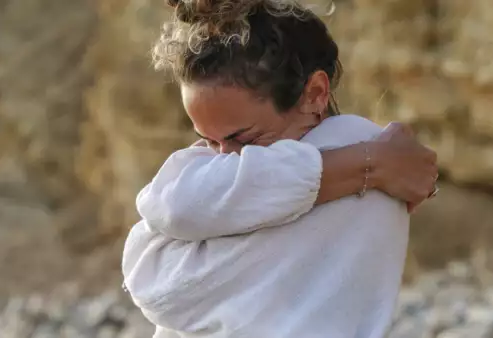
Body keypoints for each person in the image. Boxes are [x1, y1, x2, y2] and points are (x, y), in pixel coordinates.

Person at [122, 1, 439, 337]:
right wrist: (363, 164)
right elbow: (148, 261)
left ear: (315, 94)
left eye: (244, 139)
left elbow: (162, 288)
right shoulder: (370, 162)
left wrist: (363, 164)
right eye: (208, 142)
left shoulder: (357, 146)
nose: (228, 159)